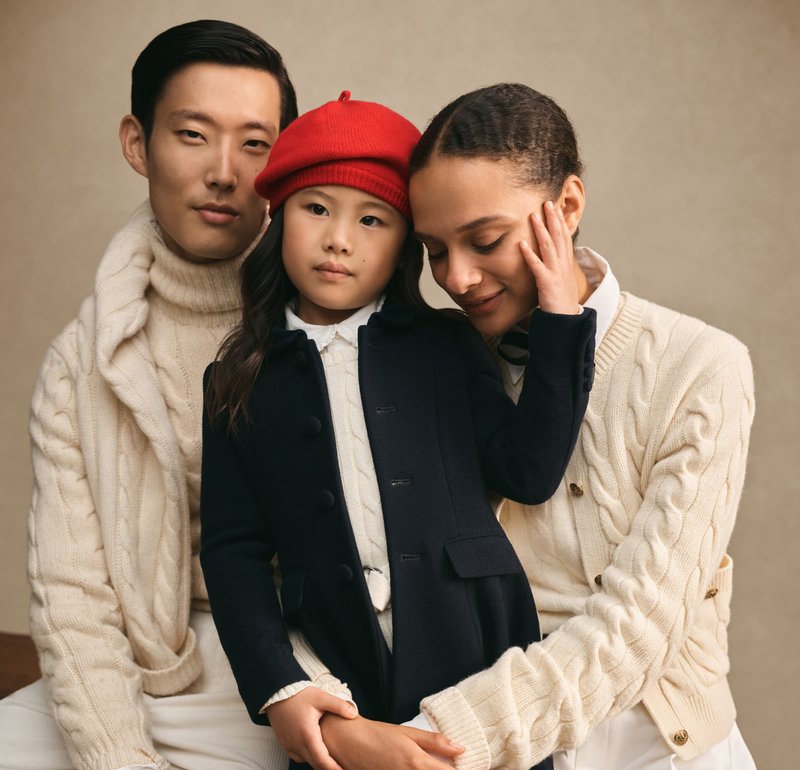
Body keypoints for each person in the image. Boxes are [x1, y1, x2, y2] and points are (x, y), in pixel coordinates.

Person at [318, 83, 757, 770]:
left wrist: (438, 739)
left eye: (485, 240)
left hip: (657, 753)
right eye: (434, 251)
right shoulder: (432, 369)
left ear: (569, 206)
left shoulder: (701, 367)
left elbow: (637, 630)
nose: (457, 278)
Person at [199, 91, 596, 770]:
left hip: (476, 641)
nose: (339, 240)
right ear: (279, 217)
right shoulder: (238, 378)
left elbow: (527, 472)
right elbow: (232, 551)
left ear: (405, 245)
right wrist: (280, 686)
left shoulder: (447, 345)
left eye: (374, 219)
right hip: (342, 664)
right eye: (316, 209)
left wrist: (562, 316)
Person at [0, 19, 323, 770]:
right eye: (192, 135)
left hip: (312, 664)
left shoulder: (332, 313)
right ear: (138, 144)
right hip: (160, 667)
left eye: (255, 143)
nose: (223, 172)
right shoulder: (83, 364)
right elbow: (74, 597)